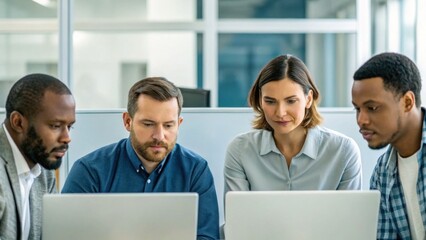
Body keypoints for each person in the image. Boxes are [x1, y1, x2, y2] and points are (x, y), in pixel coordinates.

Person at [62, 77, 220, 240]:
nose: (159, 136)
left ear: (178, 124)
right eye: (148, 124)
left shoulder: (195, 170)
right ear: (127, 121)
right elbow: (65, 235)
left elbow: (207, 237)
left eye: (168, 125)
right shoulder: (90, 171)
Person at [224, 54, 362, 193]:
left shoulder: (343, 151)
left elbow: (348, 214)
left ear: (308, 99)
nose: (280, 113)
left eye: (291, 101)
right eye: (270, 101)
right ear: (260, 100)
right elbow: (237, 213)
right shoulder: (240, 150)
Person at [352, 52, 425, 240]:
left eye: (372, 108)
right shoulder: (382, 174)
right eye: (357, 109)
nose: (361, 120)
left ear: (407, 102)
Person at [0, 73, 76, 240]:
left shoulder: (43, 166)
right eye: (56, 126)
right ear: (18, 122)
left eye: (69, 126)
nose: (67, 137)